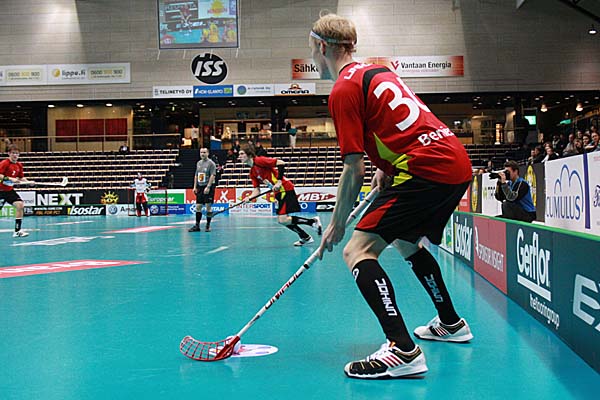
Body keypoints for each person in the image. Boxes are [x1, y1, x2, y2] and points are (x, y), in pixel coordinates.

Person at [310, 14, 473, 380]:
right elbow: (401, 124)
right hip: (454, 161)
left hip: (426, 168)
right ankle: (451, 323)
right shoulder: (377, 71)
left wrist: (336, 224)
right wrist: (386, 165)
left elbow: (353, 168)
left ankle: (402, 350)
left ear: (321, 46)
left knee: (358, 250)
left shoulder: (342, 89)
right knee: (405, 242)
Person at [239, 147, 322, 246]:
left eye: (242, 154)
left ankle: (312, 222)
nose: (239, 156)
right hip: (278, 192)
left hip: (284, 188)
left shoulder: (259, 161)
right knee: (283, 220)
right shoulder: (252, 172)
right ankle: (305, 236)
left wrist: (279, 182)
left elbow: (281, 163)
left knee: (283, 219)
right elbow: (257, 190)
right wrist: (249, 198)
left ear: (249, 155)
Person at [0, 144, 34, 237]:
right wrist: (10, 179)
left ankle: (17, 231)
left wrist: (28, 182)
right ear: (9, 154)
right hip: (0, 191)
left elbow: (21, 177)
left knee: (20, 205)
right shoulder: (5, 163)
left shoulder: (19, 165)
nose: (15, 155)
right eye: (13, 153)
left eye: (17, 153)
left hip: (9, 191)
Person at [189, 148, 216, 232]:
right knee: (198, 207)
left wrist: (208, 187)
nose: (202, 154)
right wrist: (195, 187)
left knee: (208, 207)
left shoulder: (211, 163)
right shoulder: (198, 163)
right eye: (201, 152)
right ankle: (197, 226)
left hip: (208, 187)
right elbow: (196, 175)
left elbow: (212, 175)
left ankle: (208, 226)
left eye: (204, 152)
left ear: (208, 153)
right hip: (200, 187)